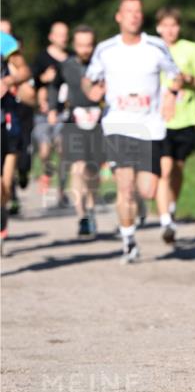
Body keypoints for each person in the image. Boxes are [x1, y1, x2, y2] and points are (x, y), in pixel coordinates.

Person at [82, 0, 182, 264]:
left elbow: (176, 75)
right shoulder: (105, 49)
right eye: (129, 12)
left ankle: (135, 214)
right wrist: (91, 91)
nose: (134, 16)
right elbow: (89, 80)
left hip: (150, 126)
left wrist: (172, 94)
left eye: (138, 11)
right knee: (125, 187)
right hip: (118, 124)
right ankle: (128, 240)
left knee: (147, 190)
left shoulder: (156, 46)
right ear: (119, 16)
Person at [155, 7, 195, 244]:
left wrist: (188, 79)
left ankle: (171, 206)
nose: (170, 30)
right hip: (157, 120)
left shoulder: (191, 49)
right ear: (158, 27)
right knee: (164, 170)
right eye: (165, 25)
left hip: (186, 118)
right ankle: (165, 221)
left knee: (177, 169)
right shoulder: (151, 49)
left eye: (174, 25)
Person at [60, 26, 105, 239]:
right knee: (77, 168)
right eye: (80, 45)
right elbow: (54, 88)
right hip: (74, 122)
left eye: (88, 44)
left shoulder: (103, 64)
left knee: (93, 171)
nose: (85, 49)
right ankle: (82, 217)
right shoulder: (66, 66)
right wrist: (51, 106)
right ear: (74, 45)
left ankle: (92, 207)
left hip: (98, 122)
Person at [32, 21, 70, 202]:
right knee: (45, 151)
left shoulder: (71, 57)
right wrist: (42, 78)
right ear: (51, 36)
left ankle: (62, 191)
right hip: (44, 113)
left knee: (64, 151)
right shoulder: (41, 58)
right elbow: (31, 83)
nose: (64, 38)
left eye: (65, 34)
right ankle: (46, 173)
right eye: (60, 34)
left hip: (65, 112)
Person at [1, 30, 32, 250]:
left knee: (4, 187)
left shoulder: (4, 40)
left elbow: (24, 70)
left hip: (4, 119)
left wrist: (7, 81)